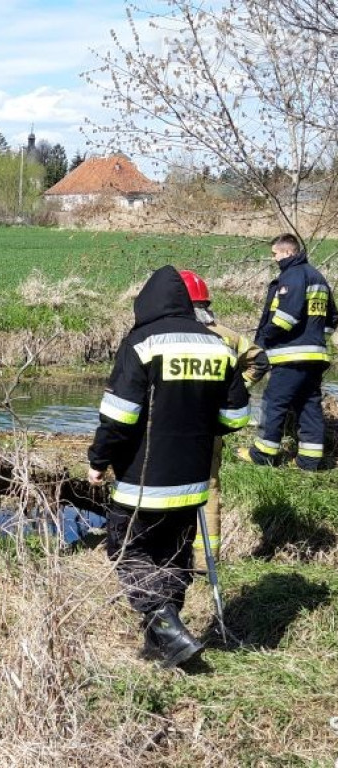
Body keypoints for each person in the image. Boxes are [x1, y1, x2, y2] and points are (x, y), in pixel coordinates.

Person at [88, 265, 250, 668]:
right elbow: (236, 418)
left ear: (147, 303)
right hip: (193, 480)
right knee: (174, 555)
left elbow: (120, 416)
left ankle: (163, 623)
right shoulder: (218, 346)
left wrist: (98, 461)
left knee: (127, 549)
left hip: (141, 479)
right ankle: (160, 643)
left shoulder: (140, 343)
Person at [178, 270, 268, 573]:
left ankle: (171, 553)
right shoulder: (225, 336)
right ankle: (205, 562)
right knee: (209, 487)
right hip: (211, 424)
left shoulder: (168, 335)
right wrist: (234, 390)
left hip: (173, 424)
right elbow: (260, 359)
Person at [242, 233, 337, 470]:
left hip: (290, 356)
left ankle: (263, 455)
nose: (273, 259)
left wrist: (263, 339)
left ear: (287, 252)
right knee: (308, 405)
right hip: (315, 357)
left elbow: (286, 317)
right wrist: (315, 339)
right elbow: (331, 318)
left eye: (275, 254)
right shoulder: (318, 277)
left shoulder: (292, 276)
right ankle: (309, 461)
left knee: (274, 402)